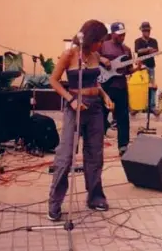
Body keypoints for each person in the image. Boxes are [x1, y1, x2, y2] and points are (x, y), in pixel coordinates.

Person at [48, 20, 114, 219]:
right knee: (66, 155)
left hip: (94, 107)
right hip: (75, 106)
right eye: (100, 41)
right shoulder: (70, 54)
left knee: (95, 154)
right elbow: (54, 80)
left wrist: (105, 96)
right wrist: (71, 100)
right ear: (91, 39)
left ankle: (95, 197)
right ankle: (55, 202)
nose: (102, 45)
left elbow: (95, 83)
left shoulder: (95, 56)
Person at [99, 22, 135, 156]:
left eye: (124, 34)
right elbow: (92, 57)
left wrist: (136, 69)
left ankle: (123, 145)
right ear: (113, 33)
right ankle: (97, 142)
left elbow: (128, 70)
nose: (122, 37)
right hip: (105, 86)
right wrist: (102, 59)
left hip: (120, 86)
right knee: (101, 114)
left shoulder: (126, 50)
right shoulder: (103, 45)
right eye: (120, 35)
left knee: (123, 116)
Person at [134, 22, 159, 115]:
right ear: (142, 31)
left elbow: (156, 51)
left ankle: (152, 106)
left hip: (151, 65)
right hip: (141, 67)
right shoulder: (138, 41)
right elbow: (138, 50)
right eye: (145, 30)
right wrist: (148, 50)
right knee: (140, 86)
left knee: (152, 86)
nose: (147, 32)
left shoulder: (154, 41)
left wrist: (146, 50)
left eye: (148, 30)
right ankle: (139, 106)